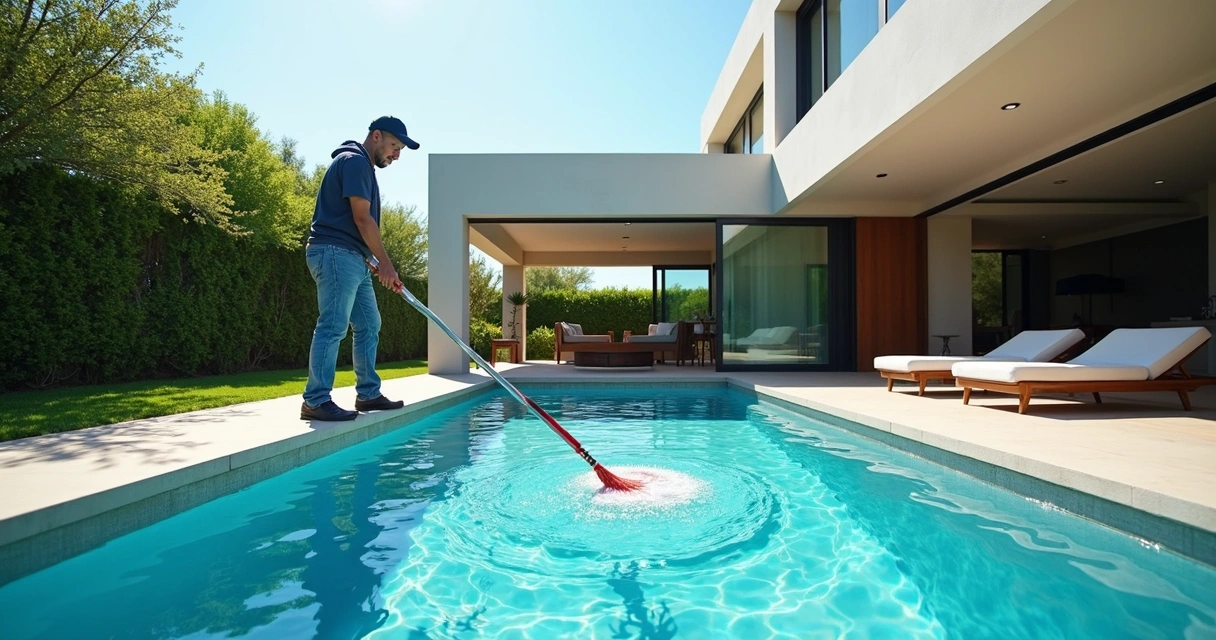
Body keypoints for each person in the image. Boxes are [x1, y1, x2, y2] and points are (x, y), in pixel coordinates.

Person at [301, 116, 420, 421]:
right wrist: (388, 265)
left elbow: (355, 225)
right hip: (335, 252)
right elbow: (362, 218)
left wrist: (374, 261)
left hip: (353, 256)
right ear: (376, 136)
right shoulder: (354, 162)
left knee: (369, 324)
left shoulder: (362, 166)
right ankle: (315, 400)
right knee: (333, 325)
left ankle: (368, 394)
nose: (397, 155)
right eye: (394, 146)